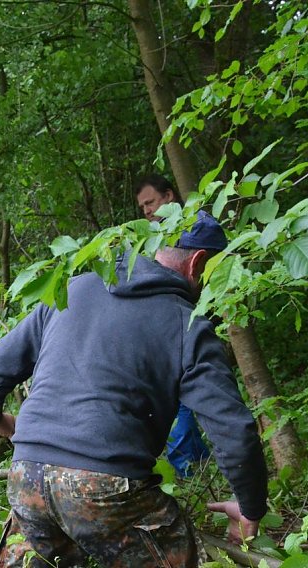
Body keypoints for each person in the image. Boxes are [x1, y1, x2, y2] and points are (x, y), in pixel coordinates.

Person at [0, 214, 268, 567]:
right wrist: (250, 509)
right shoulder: (188, 324)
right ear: (200, 262)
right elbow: (233, 430)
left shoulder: (75, 288)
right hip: (105, 486)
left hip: (27, 477)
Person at [135, 173, 211, 478]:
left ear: (169, 197)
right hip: (171, 324)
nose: (147, 211)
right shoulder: (154, 237)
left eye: (150, 202)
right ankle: (197, 457)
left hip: (191, 322)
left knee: (180, 397)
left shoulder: (195, 228)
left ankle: (184, 467)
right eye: (142, 208)